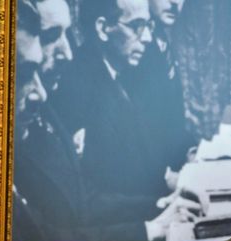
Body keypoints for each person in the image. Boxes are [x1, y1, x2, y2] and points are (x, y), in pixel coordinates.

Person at [11, 0, 198, 241]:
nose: (68, 52)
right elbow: (49, 233)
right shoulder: (66, 88)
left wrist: (159, 205)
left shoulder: (45, 101)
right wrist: (151, 226)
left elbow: (82, 199)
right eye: (51, 36)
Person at [51, 0, 177, 228]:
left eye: (148, 26)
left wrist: (172, 184)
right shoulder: (75, 84)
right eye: (136, 26)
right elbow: (91, 192)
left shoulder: (126, 71)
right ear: (102, 28)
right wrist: (160, 205)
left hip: (140, 211)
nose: (147, 38)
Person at [124, 0, 196, 192]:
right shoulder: (132, 51)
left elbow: (169, 120)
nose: (175, 2)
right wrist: (167, 177)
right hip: (146, 186)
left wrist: (190, 151)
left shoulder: (162, 39)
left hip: (172, 169)